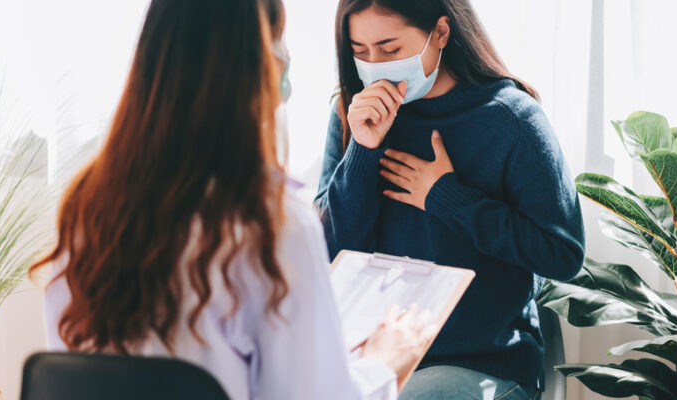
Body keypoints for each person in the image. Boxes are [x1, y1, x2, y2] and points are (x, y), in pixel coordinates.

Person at [32, 0, 436, 399]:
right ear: (257, 63)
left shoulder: (87, 206)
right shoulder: (272, 225)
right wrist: (382, 364)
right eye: (278, 39)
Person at [314, 0, 586, 398]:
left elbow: (562, 254)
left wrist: (448, 198)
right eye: (360, 52)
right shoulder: (353, 114)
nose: (375, 66)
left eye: (390, 50)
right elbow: (328, 255)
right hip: (368, 358)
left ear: (440, 32)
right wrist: (363, 149)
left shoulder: (511, 120)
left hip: (477, 363)